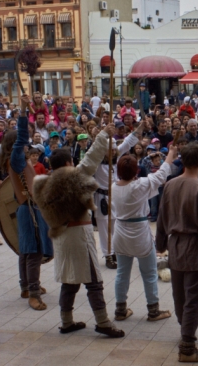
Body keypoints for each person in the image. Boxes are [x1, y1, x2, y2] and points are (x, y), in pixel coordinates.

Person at [32, 123, 125, 338]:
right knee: (93, 281)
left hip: (62, 238)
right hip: (78, 236)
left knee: (69, 281)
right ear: (67, 163)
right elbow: (91, 159)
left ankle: (66, 322)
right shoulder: (71, 179)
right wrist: (103, 134)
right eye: (71, 161)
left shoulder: (44, 184)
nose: (74, 164)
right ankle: (102, 322)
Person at [156, 142, 198, 362]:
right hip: (194, 249)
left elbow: (162, 218)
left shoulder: (170, 185)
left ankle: (186, 331)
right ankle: (187, 346)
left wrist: (160, 244)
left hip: (175, 247)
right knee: (193, 298)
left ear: (182, 161)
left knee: (180, 295)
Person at [0, 94, 53, 311]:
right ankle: (33, 293)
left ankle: (25, 286)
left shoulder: (17, 159)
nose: (28, 140)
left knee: (26, 250)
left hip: (27, 207)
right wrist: (23, 111)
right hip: (29, 208)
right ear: (16, 144)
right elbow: (22, 136)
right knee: (34, 251)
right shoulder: (16, 158)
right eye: (24, 139)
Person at [112, 150, 177, 323]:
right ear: (136, 171)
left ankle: (120, 309)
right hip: (139, 231)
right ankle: (153, 310)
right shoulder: (140, 184)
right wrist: (171, 154)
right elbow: (162, 172)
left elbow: (161, 174)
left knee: (122, 273)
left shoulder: (114, 186)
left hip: (120, 232)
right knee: (149, 273)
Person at [93, 120, 148, 268]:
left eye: (113, 150)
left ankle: (117, 251)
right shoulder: (96, 160)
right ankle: (108, 255)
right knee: (104, 228)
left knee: (117, 225)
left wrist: (141, 127)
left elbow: (129, 141)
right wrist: (100, 134)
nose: (112, 152)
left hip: (115, 195)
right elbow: (94, 149)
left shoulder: (117, 157)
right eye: (109, 150)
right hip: (101, 197)